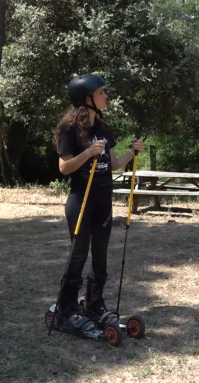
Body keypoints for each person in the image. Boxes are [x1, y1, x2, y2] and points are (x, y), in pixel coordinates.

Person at [53, 73, 144, 330]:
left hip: (104, 199)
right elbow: (64, 167)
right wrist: (88, 153)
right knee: (79, 254)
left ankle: (94, 303)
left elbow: (112, 164)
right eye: (102, 92)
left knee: (100, 254)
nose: (106, 96)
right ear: (88, 98)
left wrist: (131, 153)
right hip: (81, 200)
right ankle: (67, 308)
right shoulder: (69, 128)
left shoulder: (103, 129)